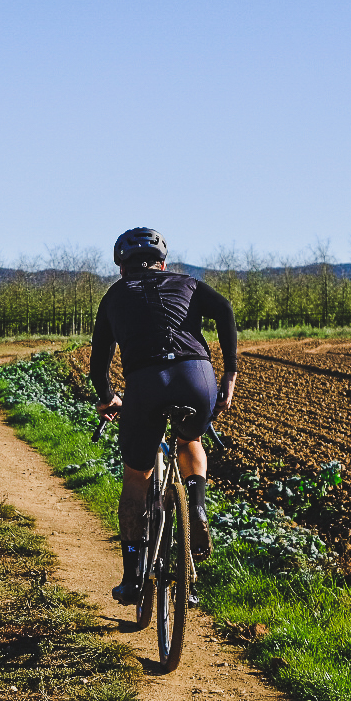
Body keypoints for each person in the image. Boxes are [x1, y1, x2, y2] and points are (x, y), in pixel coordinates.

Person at [91, 227, 238, 605]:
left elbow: (98, 365)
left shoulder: (114, 296)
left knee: (136, 478)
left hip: (146, 383)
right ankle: (198, 506)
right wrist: (230, 374)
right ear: (163, 262)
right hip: (198, 378)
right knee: (190, 439)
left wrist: (108, 398)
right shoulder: (187, 282)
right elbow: (224, 310)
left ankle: (131, 575)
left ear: (121, 266)